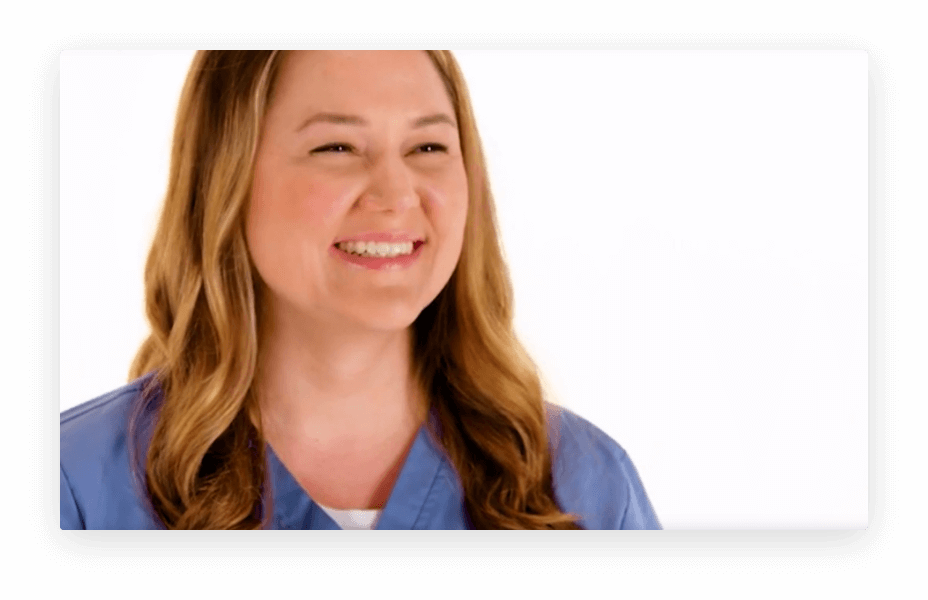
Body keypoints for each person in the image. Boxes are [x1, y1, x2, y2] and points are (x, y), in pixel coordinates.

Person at [60, 50, 662, 530]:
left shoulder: (582, 485)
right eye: (337, 147)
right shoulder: (82, 484)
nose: (398, 193)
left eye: (428, 146)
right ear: (226, 180)